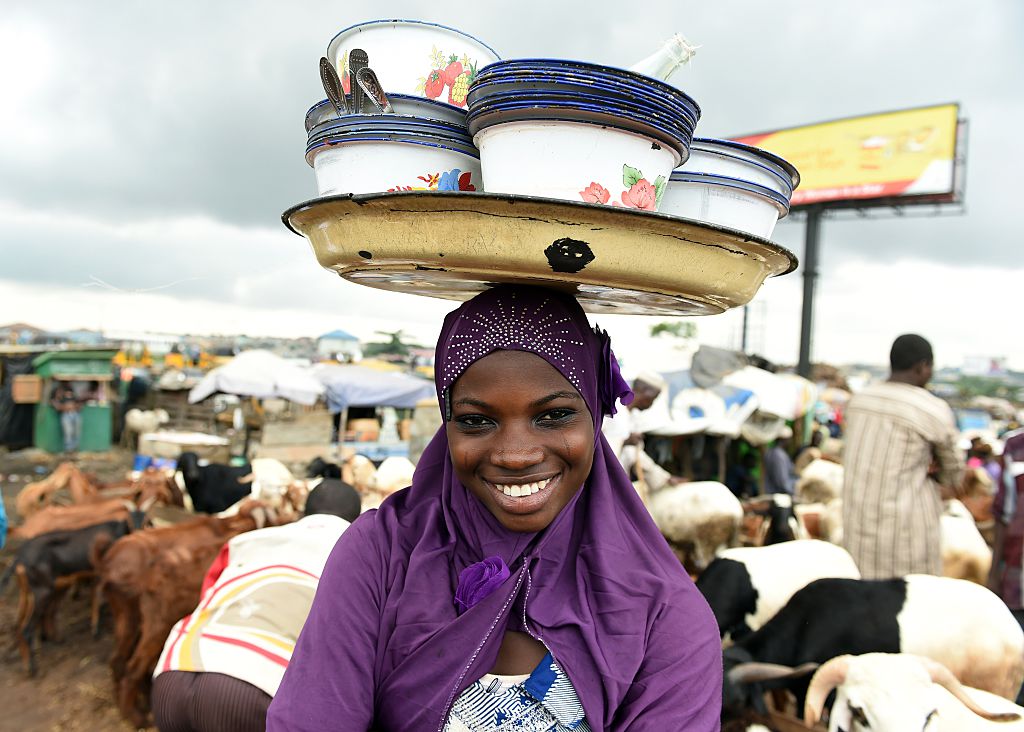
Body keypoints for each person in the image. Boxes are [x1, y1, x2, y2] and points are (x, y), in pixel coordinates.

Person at [267, 286, 721, 732]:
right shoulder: (381, 554)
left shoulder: (665, 613)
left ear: (595, 416)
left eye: (554, 415)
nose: (515, 455)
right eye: (476, 421)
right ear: (448, 427)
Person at [150, 481, 358, 732]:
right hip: (255, 686)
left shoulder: (248, 541)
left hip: (173, 676)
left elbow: (208, 595)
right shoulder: (361, 554)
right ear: (356, 520)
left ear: (303, 512)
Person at [842, 334, 964, 579]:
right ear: (922, 367)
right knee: (913, 607)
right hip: (906, 543)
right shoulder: (931, 408)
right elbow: (955, 476)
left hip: (856, 532)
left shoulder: (859, 401)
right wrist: (935, 467)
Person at [602, 370, 683, 499]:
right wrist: (625, 441)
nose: (651, 404)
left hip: (617, 482)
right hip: (602, 481)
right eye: (653, 399)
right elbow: (596, 444)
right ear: (645, 392)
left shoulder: (632, 418)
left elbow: (634, 455)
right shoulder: (611, 410)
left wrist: (664, 478)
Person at [50, 381, 81, 453]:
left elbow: (78, 403)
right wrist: (65, 407)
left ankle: (75, 449)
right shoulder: (57, 392)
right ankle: (68, 450)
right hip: (66, 414)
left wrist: (74, 406)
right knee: (68, 432)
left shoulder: (72, 390)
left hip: (75, 413)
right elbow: (56, 405)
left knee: (76, 431)